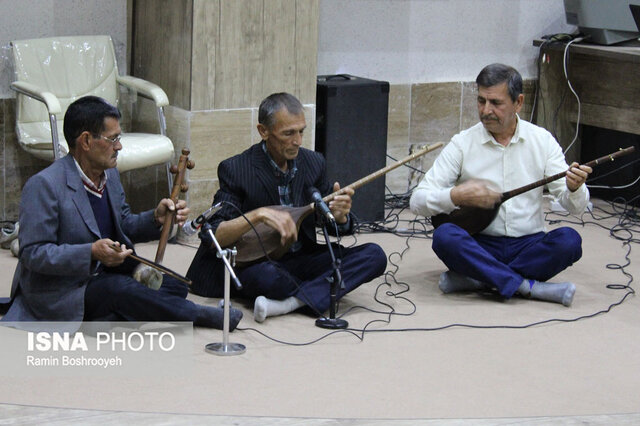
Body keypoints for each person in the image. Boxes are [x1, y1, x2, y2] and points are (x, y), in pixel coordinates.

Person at [0, 96, 242, 331]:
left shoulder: (110, 174)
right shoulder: (44, 185)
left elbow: (123, 224)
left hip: (109, 273)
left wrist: (155, 218)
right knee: (121, 290)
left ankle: (112, 314)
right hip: (66, 288)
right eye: (113, 138)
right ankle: (200, 315)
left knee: (174, 287)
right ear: (86, 141)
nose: (120, 146)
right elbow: (33, 254)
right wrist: (91, 253)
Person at [187, 92, 387, 322]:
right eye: (288, 133)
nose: (298, 141)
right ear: (263, 131)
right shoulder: (237, 169)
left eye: (301, 131)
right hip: (256, 261)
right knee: (270, 280)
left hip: (301, 255)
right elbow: (213, 235)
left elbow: (331, 225)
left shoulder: (313, 163)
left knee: (374, 256)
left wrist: (340, 217)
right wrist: (259, 215)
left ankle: (291, 303)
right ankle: (316, 291)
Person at [410, 63, 592, 306]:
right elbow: (417, 201)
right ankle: (526, 286)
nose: (486, 110)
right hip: (480, 243)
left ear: (518, 102)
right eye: (481, 101)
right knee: (445, 236)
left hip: (529, 243)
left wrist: (574, 188)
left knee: (569, 241)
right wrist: (455, 195)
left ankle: (479, 280)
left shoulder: (542, 141)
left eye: (495, 103)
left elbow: (576, 208)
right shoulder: (463, 143)